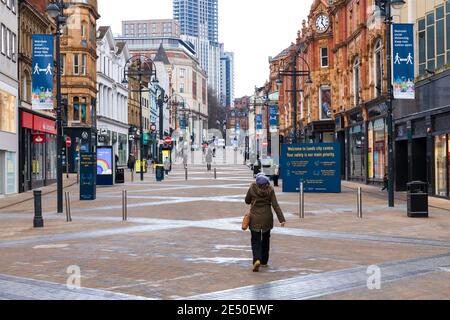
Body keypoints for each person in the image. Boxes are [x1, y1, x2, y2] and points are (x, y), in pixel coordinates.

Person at [245, 173, 286, 272]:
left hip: (255, 219)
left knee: (255, 240)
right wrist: (282, 219)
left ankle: (256, 259)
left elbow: (247, 200)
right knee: (266, 240)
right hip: (267, 218)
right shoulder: (270, 190)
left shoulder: (252, 188)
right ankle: (264, 261)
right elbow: (275, 205)